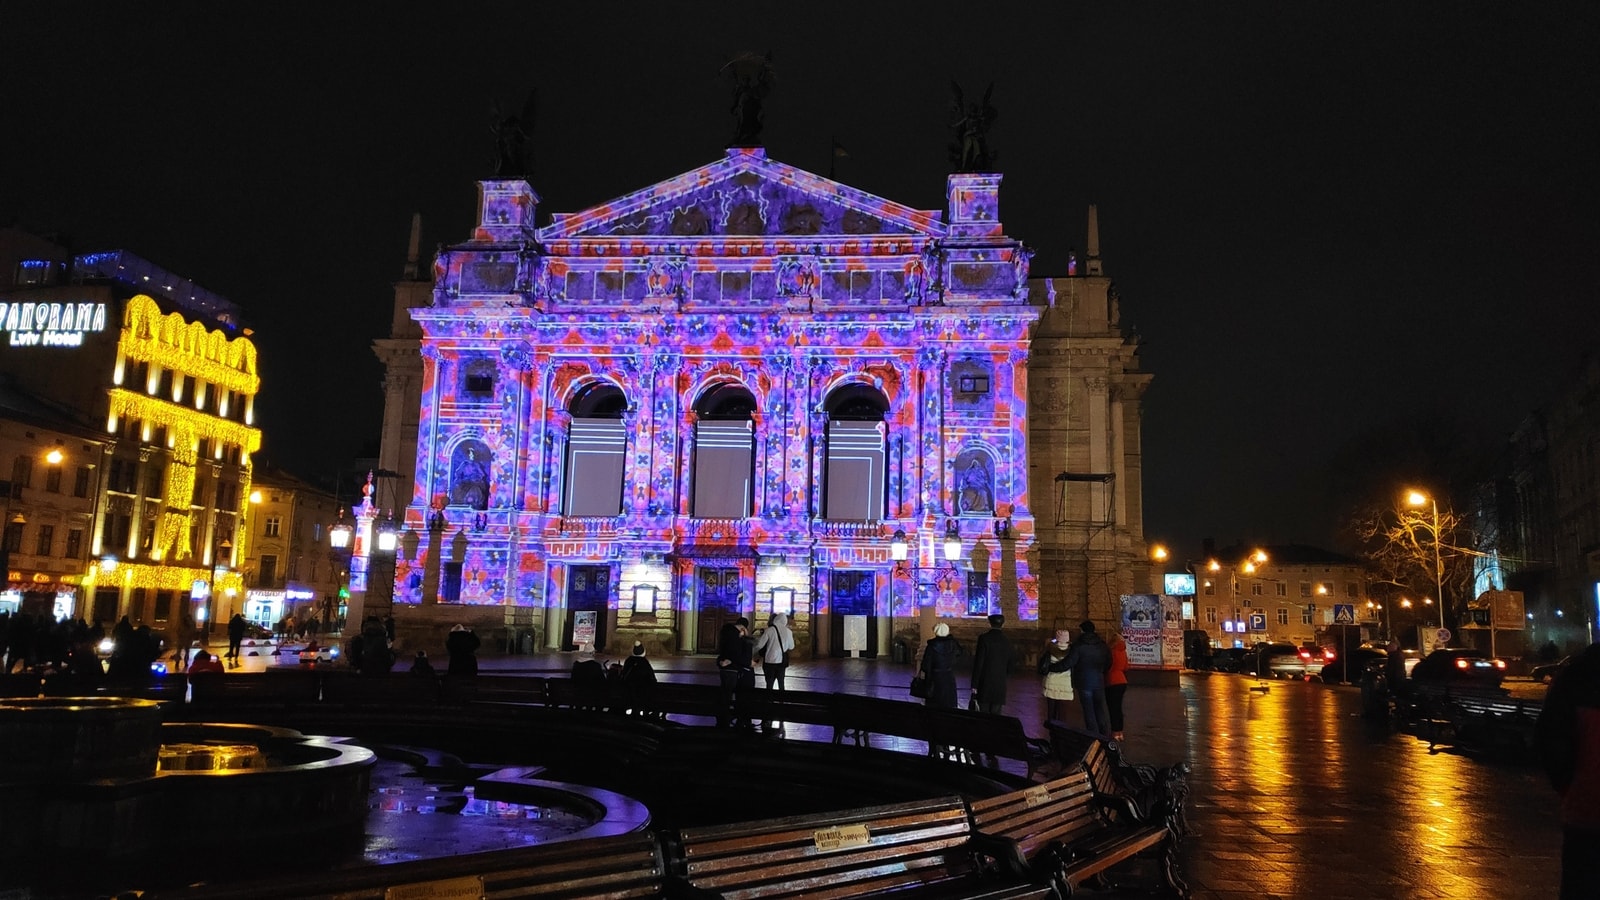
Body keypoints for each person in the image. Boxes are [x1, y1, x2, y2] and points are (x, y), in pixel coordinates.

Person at [1536, 642, 1600, 900]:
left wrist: (1567, 786)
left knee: (1582, 883)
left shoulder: (1577, 674)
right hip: (1585, 804)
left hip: (1585, 806)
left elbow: (1550, 740)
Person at [1045, 620, 1112, 737]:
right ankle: (1105, 736)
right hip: (1098, 681)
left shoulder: (1079, 646)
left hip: (1084, 682)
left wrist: (1051, 668)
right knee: (1100, 710)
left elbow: (1068, 663)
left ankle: (1093, 736)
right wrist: (1101, 672)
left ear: (1082, 630)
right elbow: (1109, 662)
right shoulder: (1102, 645)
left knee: (1088, 711)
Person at [752, 612, 795, 732]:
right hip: (781, 662)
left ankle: (768, 703)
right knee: (781, 682)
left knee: (769, 683)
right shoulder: (788, 631)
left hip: (770, 661)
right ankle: (782, 702)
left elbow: (760, 645)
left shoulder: (770, 630)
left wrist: (752, 650)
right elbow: (791, 647)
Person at [971, 613, 1017, 714]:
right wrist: (1005, 676)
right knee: (996, 714)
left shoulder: (984, 639)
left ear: (990, 623)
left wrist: (974, 684)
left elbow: (979, 662)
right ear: (1002, 624)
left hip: (985, 681)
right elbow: (1011, 663)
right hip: (999, 683)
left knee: (983, 713)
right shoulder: (1006, 641)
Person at [715, 619, 755, 728]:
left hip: (726, 670)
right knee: (735, 695)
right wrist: (748, 662)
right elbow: (736, 655)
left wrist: (720, 662)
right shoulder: (735, 637)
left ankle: (724, 720)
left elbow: (724, 654)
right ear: (743, 628)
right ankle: (735, 720)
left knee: (726, 695)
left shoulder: (726, 633)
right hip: (734, 671)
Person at [919, 623, 961, 709]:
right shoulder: (953, 645)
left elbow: (925, 665)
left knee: (934, 704)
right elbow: (958, 655)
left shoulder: (931, 646)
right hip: (948, 677)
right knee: (949, 704)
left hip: (934, 678)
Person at [1039, 629, 1075, 723]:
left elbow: (1042, 663)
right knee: (1063, 713)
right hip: (1065, 683)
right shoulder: (1072, 651)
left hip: (1051, 681)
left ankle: (1051, 729)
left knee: (1051, 710)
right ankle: (1061, 731)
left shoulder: (1050, 649)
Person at [1106, 629, 1130, 742]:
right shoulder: (1123, 651)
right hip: (1122, 681)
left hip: (1112, 681)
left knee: (1113, 708)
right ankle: (1120, 732)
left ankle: (1115, 732)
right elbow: (1126, 667)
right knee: (1119, 708)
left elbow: (1108, 666)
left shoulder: (1111, 651)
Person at [621, 641, 657, 715]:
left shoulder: (628, 661)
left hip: (627, 697)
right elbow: (653, 679)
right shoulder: (645, 663)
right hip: (643, 698)